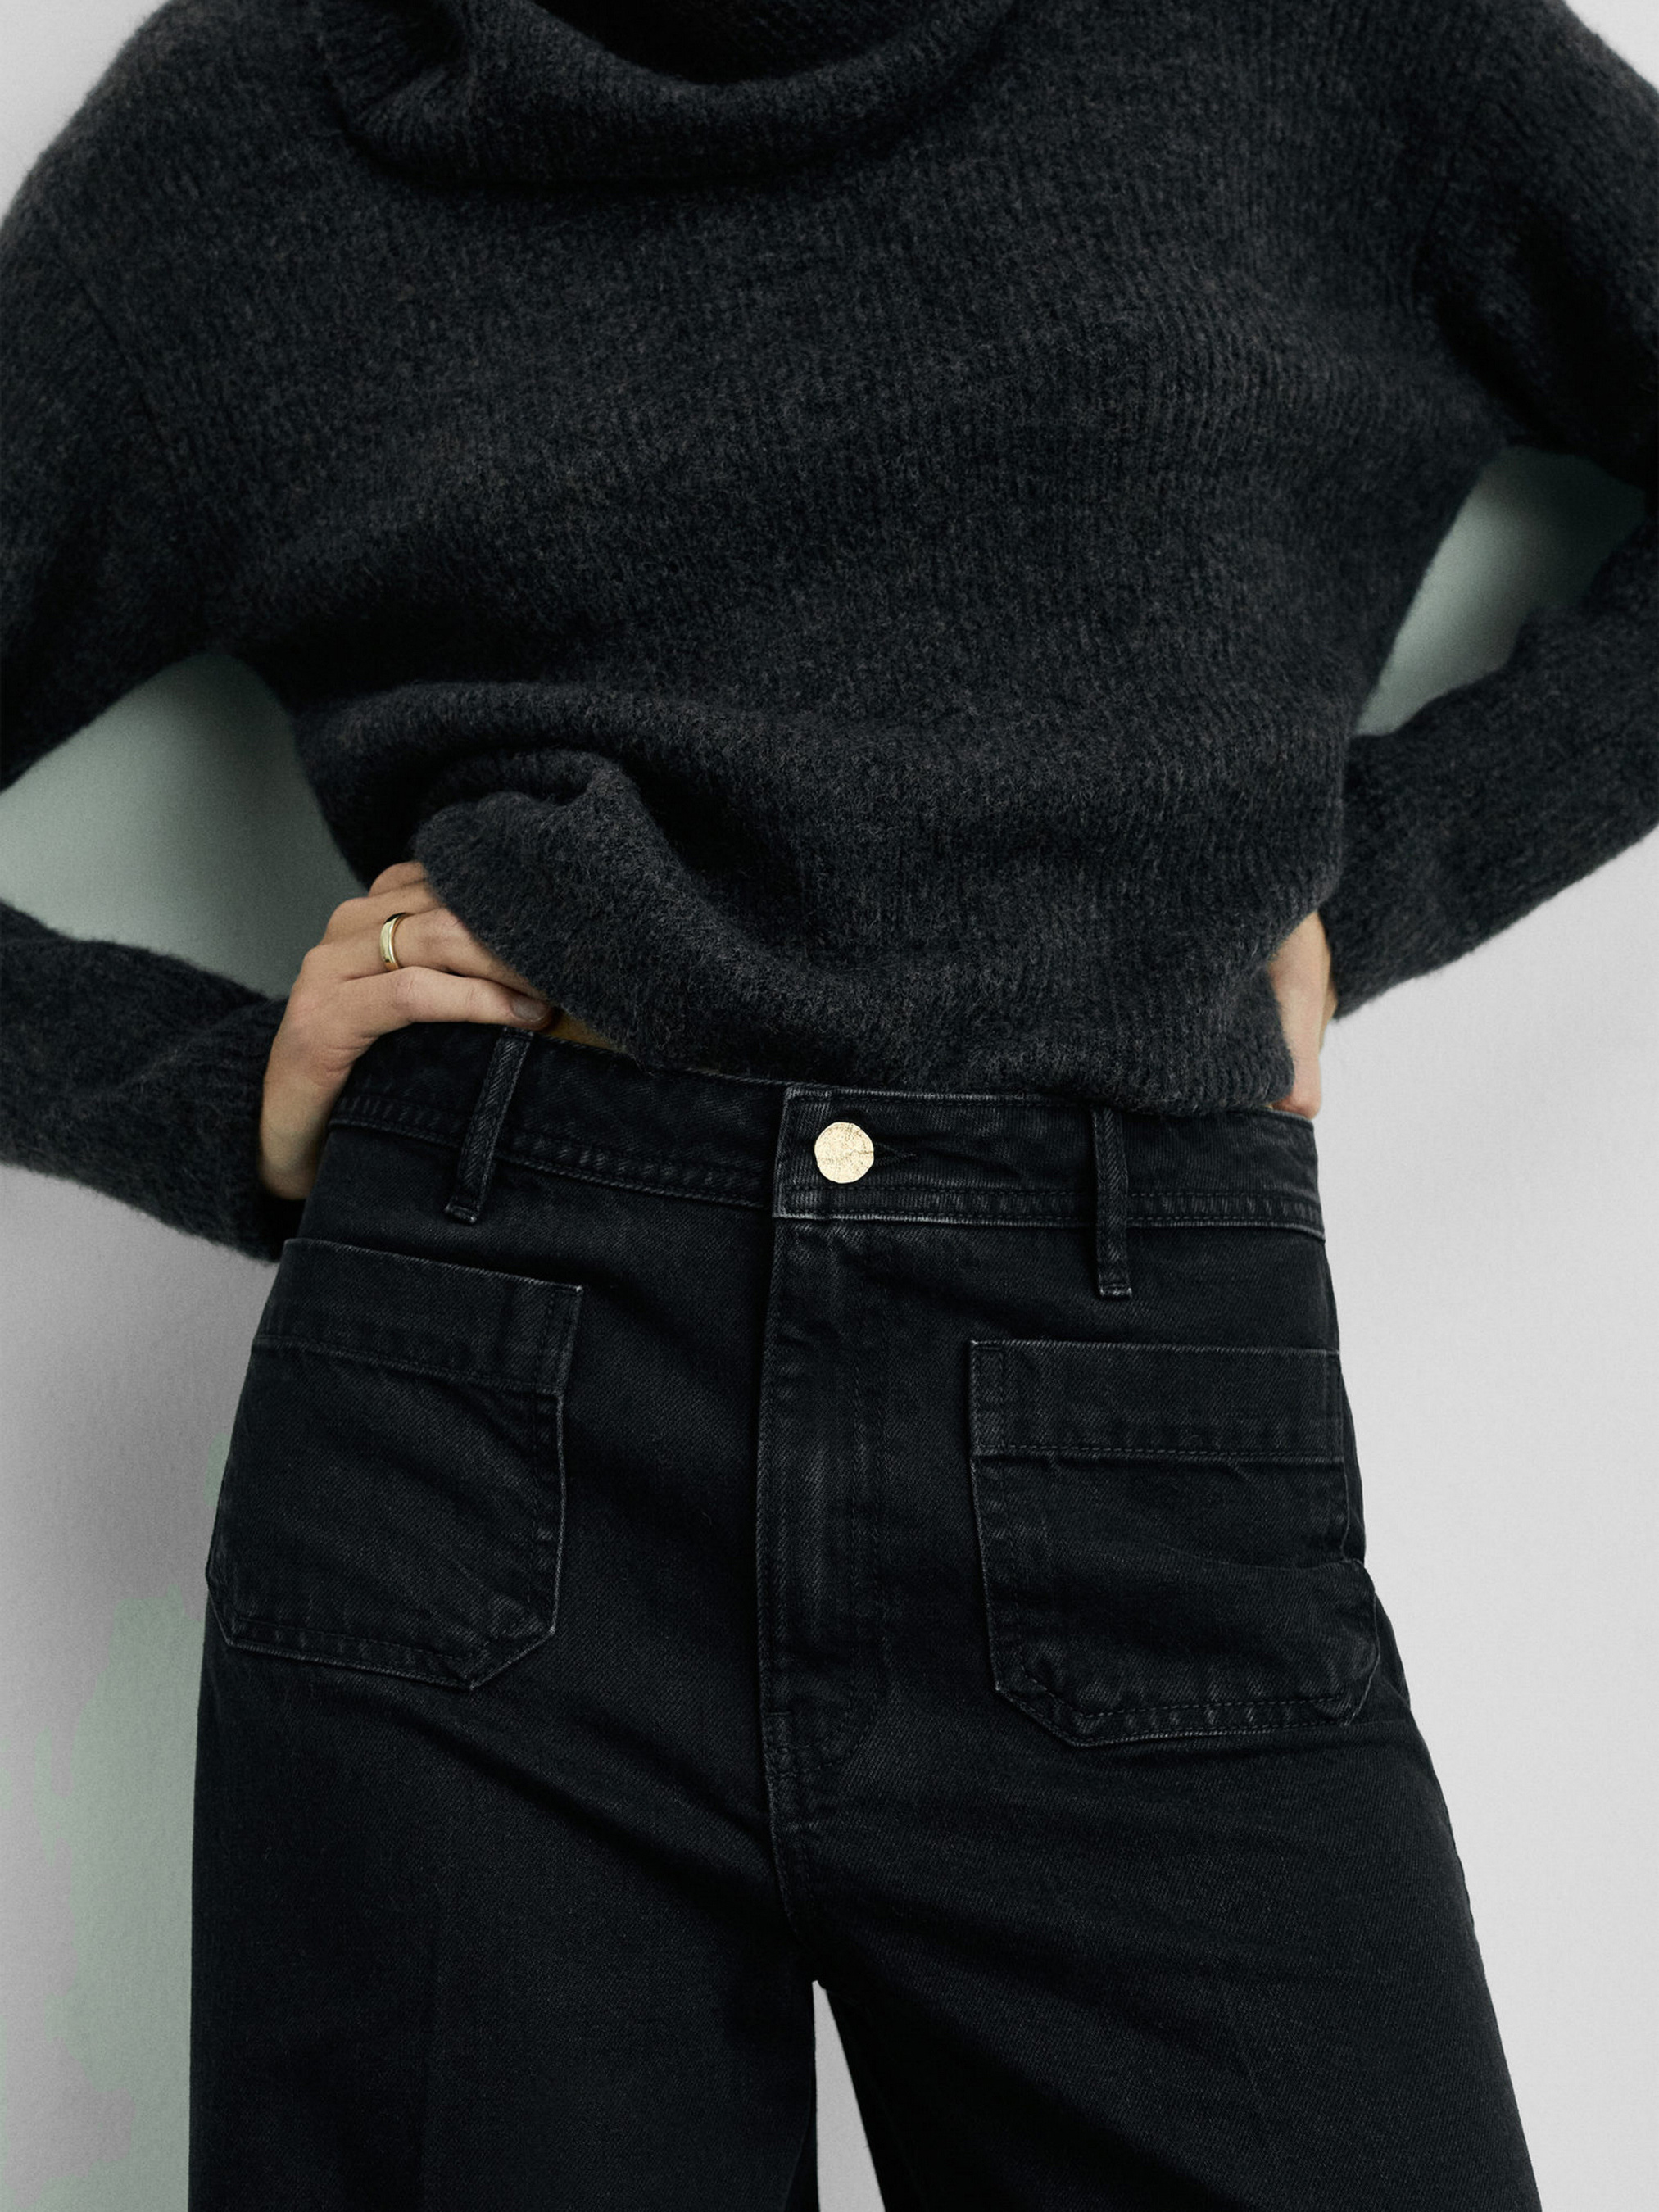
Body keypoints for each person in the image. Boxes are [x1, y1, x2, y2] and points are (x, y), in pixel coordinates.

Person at [2, 0, 1652, 2201]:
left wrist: (1385, 878)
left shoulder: (1334, 41)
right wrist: (210, 1098)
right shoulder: (272, 117)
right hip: (485, 1408)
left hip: (1119, 1394)